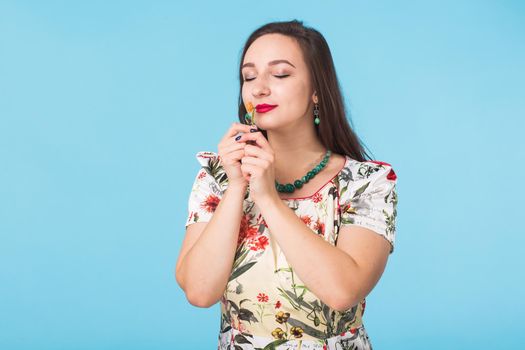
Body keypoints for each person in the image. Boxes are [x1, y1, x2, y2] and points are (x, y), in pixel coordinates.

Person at [175, 19, 398, 350]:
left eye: (280, 74)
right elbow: (199, 291)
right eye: (249, 77)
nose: (259, 88)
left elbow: (343, 292)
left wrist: (267, 197)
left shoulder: (367, 183)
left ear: (316, 90)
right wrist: (237, 187)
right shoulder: (218, 176)